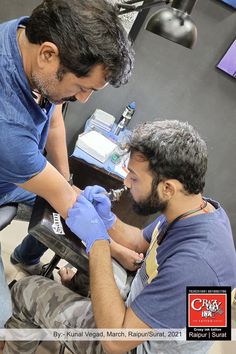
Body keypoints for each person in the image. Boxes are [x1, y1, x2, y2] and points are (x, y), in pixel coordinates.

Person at [3, 120, 236, 354]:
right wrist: (107, 220)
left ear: (167, 188)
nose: (126, 183)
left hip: (135, 345)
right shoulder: (193, 210)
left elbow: (115, 342)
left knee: (26, 290)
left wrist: (99, 241)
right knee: (101, 262)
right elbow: (138, 242)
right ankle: (77, 289)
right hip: (143, 304)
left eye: (134, 177)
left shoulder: (197, 264)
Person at [0, 0, 134, 329]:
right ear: (49, 54)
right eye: (82, 87)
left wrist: (65, 179)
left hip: (10, 177)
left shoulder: (26, 37)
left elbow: (55, 120)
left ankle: (26, 256)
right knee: (3, 322)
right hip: (10, 170)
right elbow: (69, 202)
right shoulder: (9, 128)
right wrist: (113, 247)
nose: (84, 98)